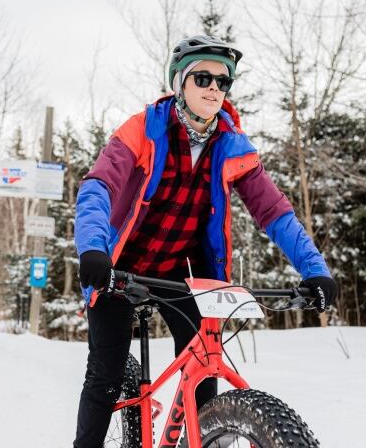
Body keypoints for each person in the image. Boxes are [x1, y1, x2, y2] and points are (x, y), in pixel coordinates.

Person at [72, 35, 337, 447]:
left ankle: (204, 432)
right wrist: (92, 248)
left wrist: (315, 270)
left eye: (223, 81)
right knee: (105, 376)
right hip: (117, 268)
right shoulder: (143, 129)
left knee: (204, 372)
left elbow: (275, 212)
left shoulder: (232, 146)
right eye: (203, 77)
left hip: (180, 273)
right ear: (179, 82)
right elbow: (98, 187)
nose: (215, 87)